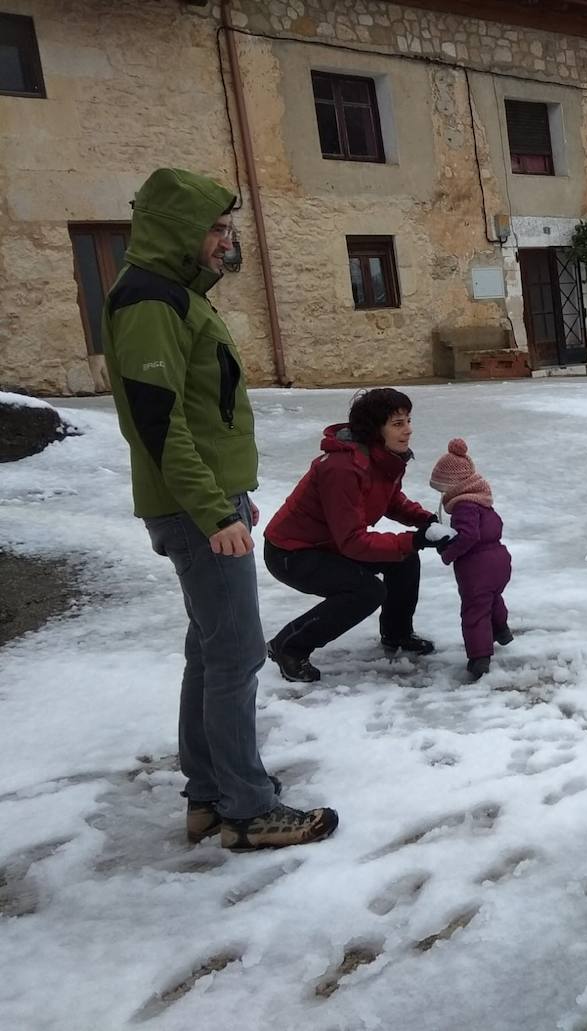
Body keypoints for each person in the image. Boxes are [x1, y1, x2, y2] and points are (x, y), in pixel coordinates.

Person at [104, 168, 338, 851]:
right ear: (176, 228)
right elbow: (157, 420)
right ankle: (248, 808)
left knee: (209, 653)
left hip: (209, 498)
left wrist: (232, 494)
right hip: (195, 506)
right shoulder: (149, 299)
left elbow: (207, 412)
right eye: (214, 228)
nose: (225, 241)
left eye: (228, 228)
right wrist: (214, 510)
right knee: (235, 655)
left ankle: (208, 796)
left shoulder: (173, 294)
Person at [263, 388, 450, 682]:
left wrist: (424, 519)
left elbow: (388, 500)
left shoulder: (381, 458)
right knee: (365, 591)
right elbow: (352, 541)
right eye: (398, 424)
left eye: (408, 421)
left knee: (403, 559)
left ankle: (397, 634)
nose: (409, 430)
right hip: (291, 552)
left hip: (329, 545)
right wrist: (414, 539)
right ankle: (289, 645)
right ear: (376, 430)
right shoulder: (342, 469)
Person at [428, 438, 514, 681]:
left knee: (474, 610)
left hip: (478, 567)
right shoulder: (483, 502)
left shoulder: (465, 506)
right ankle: (501, 630)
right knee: (492, 598)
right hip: (499, 560)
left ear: (453, 485)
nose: (443, 495)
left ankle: (479, 658)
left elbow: (469, 536)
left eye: (443, 489)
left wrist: (448, 553)